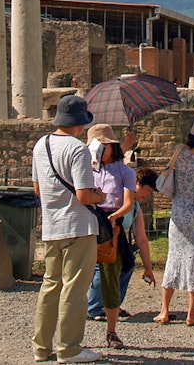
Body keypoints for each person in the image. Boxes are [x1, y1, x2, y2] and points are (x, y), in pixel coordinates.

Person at [31, 95, 105, 364]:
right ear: (80, 123)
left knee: (50, 286)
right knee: (74, 290)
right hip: (78, 225)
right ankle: (69, 348)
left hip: (52, 226)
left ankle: (41, 347)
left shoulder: (41, 145)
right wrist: (100, 197)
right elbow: (85, 195)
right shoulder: (77, 149)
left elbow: (38, 188)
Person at [155, 113, 194, 327]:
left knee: (174, 257)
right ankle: (191, 313)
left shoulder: (179, 152)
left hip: (179, 209)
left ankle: (164, 310)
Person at [87, 124, 137, 350]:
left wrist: (114, 217)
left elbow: (128, 203)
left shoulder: (125, 171)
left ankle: (111, 328)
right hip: (90, 221)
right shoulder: (89, 169)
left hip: (110, 225)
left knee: (116, 269)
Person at [88, 167, 158, 323]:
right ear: (137, 184)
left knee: (127, 265)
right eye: (147, 190)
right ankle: (94, 307)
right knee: (103, 268)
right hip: (102, 237)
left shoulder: (135, 207)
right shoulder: (118, 198)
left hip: (118, 240)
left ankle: (113, 304)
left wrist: (148, 267)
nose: (148, 195)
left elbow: (142, 239)